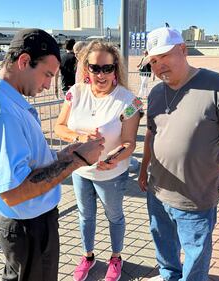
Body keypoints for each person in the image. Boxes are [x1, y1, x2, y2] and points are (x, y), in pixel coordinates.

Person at [0, 29, 104, 281]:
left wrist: (63, 155)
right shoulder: (1, 112)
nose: (46, 85)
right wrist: (78, 161)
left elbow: (28, 161)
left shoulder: (7, 102)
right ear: (23, 61)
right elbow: (14, 191)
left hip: (31, 223)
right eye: (47, 75)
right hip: (28, 226)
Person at [138, 27, 219, 281]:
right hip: (157, 193)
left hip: (195, 199)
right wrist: (144, 168)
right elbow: (151, 134)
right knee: (165, 251)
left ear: (183, 50)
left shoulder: (218, 86)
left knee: (196, 258)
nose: (158, 66)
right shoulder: (156, 93)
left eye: (164, 56)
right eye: (153, 61)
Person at [55, 40, 143, 281]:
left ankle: (116, 257)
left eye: (107, 68)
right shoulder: (75, 93)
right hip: (80, 170)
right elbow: (59, 127)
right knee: (85, 215)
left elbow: (129, 142)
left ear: (116, 69)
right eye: (95, 68)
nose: (101, 74)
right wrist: (80, 137)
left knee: (114, 215)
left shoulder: (129, 102)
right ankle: (88, 255)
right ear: (86, 68)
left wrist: (113, 159)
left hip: (110, 174)